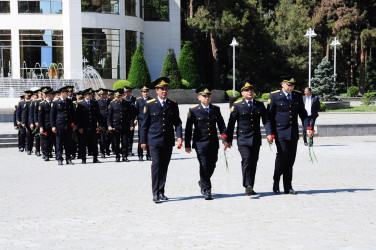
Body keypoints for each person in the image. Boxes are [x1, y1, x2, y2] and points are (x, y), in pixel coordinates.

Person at [140, 77, 182, 203]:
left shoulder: (173, 104)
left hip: (168, 141)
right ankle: (155, 193)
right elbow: (144, 125)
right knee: (156, 165)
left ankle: (161, 191)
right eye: (162, 89)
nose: (164, 91)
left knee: (164, 167)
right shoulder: (150, 104)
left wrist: (179, 136)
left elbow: (178, 123)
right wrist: (143, 141)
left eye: (166, 89)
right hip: (154, 140)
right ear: (156, 90)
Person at [226, 80, 273, 196]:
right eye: (246, 90)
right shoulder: (237, 105)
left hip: (255, 138)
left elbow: (266, 120)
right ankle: (247, 185)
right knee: (247, 160)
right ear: (242, 93)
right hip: (243, 139)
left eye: (251, 89)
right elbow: (231, 123)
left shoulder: (259, 104)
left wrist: (269, 133)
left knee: (253, 162)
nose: (250, 92)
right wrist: (228, 139)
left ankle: (250, 186)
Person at [267, 76, 312, 195]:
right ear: (282, 84)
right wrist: (269, 133)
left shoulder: (297, 96)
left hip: (293, 133)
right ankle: (276, 180)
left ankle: (288, 186)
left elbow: (303, 114)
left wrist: (308, 128)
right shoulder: (275, 96)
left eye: (292, 85)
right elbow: (269, 117)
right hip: (280, 132)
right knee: (282, 156)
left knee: (290, 160)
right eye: (288, 85)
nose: (290, 87)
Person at [185, 85, 226, 200]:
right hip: (200, 143)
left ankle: (202, 181)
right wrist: (187, 145)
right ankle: (207, 190)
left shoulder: (215, 109)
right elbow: (188, 129)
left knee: (212, 164)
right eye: (204, 96)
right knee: (203, 165)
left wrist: (225, 138)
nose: (207, 98)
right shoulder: (193, 110)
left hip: (213, 143)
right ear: (199, 97)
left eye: (208, 96)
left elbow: (222, 125)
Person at [50, 86, 76, 165]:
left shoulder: (69, 101)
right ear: (62, 93)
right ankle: (60, 158)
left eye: (68, 92)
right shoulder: (55, 102)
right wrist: (53, 126)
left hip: (68, 125)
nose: (68, 94)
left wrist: (73, 124)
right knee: (59, 143)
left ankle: (68, 159)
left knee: (68, 143)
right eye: (66, 92)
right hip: (59, 125)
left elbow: (72, 114)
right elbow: (52, 115)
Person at [107, 89, 134, 162]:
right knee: (116, 142)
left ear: (122, 96)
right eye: (116, 96)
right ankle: (117, 156)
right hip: (116, 126)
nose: (117, 98)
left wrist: (131, 125)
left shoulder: (127, 103)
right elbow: (109, 116)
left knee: (125, 142)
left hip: (125, 125)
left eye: (119, 96)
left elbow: (130, 116)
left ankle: (124, 156)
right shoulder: (112, 103)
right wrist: (109, 125)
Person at [76, 88, 100, 163]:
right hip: (84, 127)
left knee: (94, 143)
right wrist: (80, 127)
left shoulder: (94, 103)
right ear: (85, 95)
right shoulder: (80, 104)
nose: (90, 96)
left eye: (91, 94)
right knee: (83, 143)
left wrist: (98, 123)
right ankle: (83, 158)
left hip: (93, 126)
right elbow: (78, 117)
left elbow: (97, 114)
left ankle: (95, 158)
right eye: (88, 94)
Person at [134, 85, 152, 161]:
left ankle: (148, 155)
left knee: (149, 139)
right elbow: (135, 111)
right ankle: (140, 155)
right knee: (141, 139)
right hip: (141, 122)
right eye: (144, 92)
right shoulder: (138, 100)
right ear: (141, 92)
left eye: (146, 91)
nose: (145, 93)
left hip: (149, 122)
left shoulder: (151, 100)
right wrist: (135, 119)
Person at [38, 87, 54, 161]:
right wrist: (41, 127)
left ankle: (49, 152)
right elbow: (40, 117)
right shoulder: (42, 104)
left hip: (52, 125)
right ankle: (45, 154)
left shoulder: (54, 103)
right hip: (45, 125)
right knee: (45, 140)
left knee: (51, 140)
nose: (52, 96)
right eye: (51, 94)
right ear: (47, 95)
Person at [96, 88, 111, 158]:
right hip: (101, 122)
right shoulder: (98, 102)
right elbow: (96, 112)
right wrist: (97, 121)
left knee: (109, 137)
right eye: (101, 94)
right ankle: (102, 151)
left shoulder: (111, 101)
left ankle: (107, 148)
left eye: (103, 94)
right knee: (102, 137)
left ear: (106, 94)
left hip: (109, 122)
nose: (102, 95)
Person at [124, 86, 137, 156]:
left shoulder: (135, 99)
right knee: (125, 136)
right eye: (124, 92)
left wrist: (136, 119)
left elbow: (136, 111)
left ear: (130, 92)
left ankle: (129, 150)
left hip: (132, 120)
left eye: (126, 92)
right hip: (124, 120)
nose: (125, 93)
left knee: (131, 136)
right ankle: (124, 150)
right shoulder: (123, 99)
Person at [21, 90, 34, 155]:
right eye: (27, 95)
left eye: (29, 95)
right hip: (28, 122)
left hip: (34, 121)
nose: (29, 96)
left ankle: (32, 148)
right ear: (25, 95)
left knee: (33, 136)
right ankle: (28, 149)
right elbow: (24, 114)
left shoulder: (33, 102)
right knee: (29, 136)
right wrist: (23, 122)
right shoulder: (24, 103)